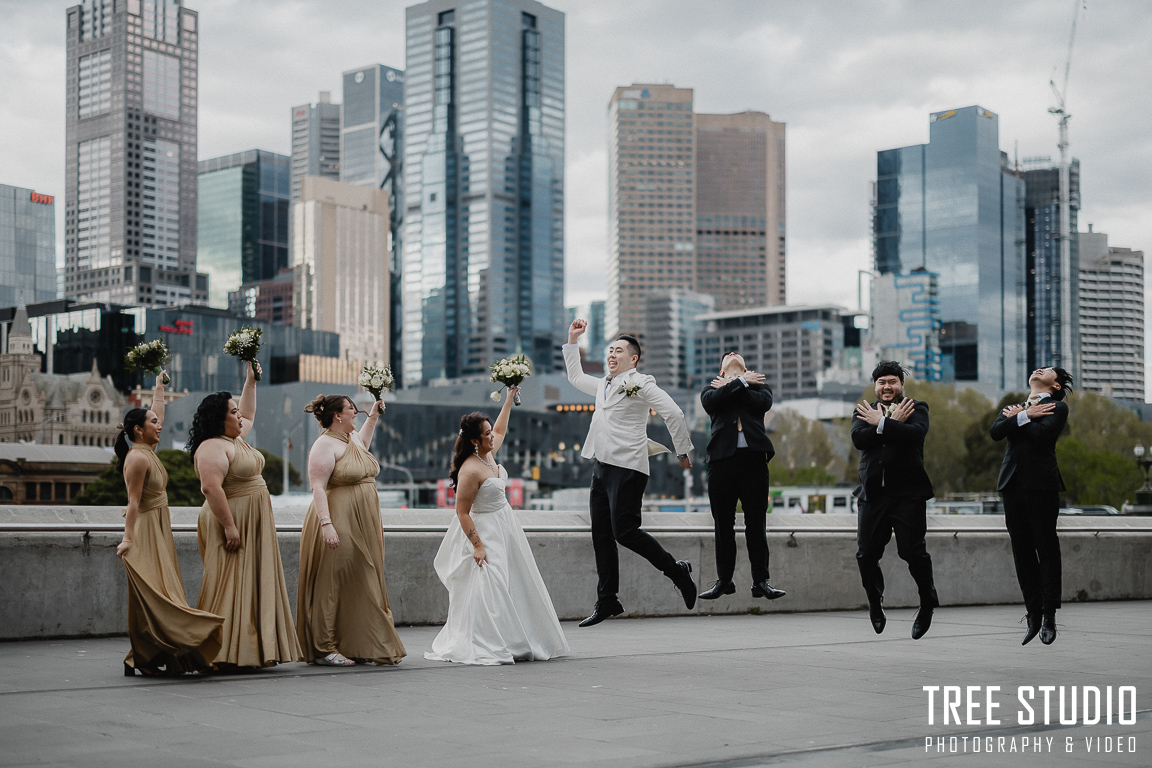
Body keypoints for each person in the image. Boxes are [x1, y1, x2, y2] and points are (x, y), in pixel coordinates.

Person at [563, 319, 697, 627]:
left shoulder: (642, 383)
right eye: (610, 350)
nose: (612, 354)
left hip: (628, 466)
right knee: (601, 534)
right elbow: (575, 376)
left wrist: (682, 452)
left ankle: (677, 571)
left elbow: (673, 412)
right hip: (601, 466)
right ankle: (607, 600)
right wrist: (572, 339)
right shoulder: (603, 385)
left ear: (633, 359)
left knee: (625, 532)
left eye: (619, 351)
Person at [426, 389, 569, 665]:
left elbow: (501, 428)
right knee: (490, 584)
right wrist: (478, 546)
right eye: (487, 434)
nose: (492, 436)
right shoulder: (470, 470)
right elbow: (461, 512)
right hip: (485, 530)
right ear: (474, 440)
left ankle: (515, 637)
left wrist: (508, 400)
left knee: (515, 580)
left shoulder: (488, 454)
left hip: (505, 526)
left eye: (490, 432)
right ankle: (489, 639)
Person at [188, 361, 303, 668]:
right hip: (232, 519)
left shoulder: (235, 439)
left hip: (251, 519)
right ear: (219, 418)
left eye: (237, 411)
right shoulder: (212, 447)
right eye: (233, 412)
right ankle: (221, 651)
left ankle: (246, 650)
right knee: (229, 582)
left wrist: (250, 381)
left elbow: (250, 414)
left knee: (248, 582)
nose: (240, 416)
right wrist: (229, 526)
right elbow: (211, 488)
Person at [117, 372, 223, 676]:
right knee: (155, 597)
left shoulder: (146, 452)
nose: (159, 425)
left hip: (158, 529)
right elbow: (133, 503)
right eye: (152, 423)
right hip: (145, 532)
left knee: (161, 594)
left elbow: (157, 414)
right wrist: (128, 540)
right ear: (139, 430)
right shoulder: (137, 459)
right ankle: (147, 657)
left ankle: (155, 655)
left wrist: (159, 389)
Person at [297, 394, 406, 667]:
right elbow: (318, 487)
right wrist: (327, 525)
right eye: (351, 409)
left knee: (363, 575)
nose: (356, 412)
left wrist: (374, 416)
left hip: (363, 520)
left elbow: (363, 445)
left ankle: (361, 643)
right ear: (338, 415)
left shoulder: (352, 438)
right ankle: (324, 647)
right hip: (339, 517)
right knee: (332, 579)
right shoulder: (324, 444)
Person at [851, 361, 938, 639]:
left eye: (892, 381)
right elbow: (859, 439)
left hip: (908, 495)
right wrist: (889, 425)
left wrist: (881, 424)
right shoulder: (864, 410)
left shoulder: (916, 408)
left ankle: (927, 602)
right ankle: (875, 602)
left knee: (912, 552)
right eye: (881, 382)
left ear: (902, 384)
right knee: (866, 554)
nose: (886, 387)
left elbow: (915, 434)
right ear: (875, 386)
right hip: (872, 495)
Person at [990, 367, 1073, 646]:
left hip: (1042, 486)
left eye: (1047, 370)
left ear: (1056, 385)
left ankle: (1049, 614)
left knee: (1046, 549)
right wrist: (1025, 415)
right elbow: (995, 432)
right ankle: (1033, 612)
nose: (1039, 369)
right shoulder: (1014, 407)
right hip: (1011, 486)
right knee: (1021, 551)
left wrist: (1019, 418)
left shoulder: (1057, 408)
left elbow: (1041, 436)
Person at [699, 352, 786, 602]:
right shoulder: (711, 389)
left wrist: (738, 383)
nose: (732, 354)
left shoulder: (760, 387)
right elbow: (711, 402)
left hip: (754, 460)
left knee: (756, 523)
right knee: (722, 524)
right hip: (721, 461)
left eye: (736, 354)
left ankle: (761, 582)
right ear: (721, 371)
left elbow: (763, 404)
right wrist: (740, 382)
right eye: (727, 355)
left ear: (748, 369)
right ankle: (724, 580)